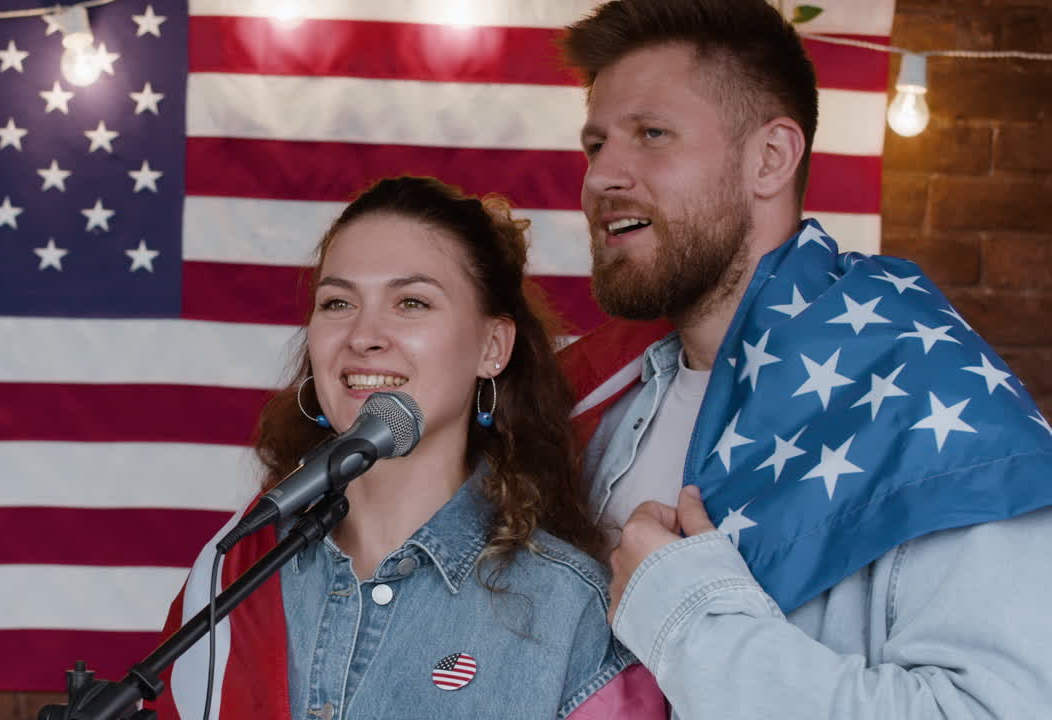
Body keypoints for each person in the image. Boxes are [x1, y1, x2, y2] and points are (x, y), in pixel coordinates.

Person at [555, 1, 1052, 718]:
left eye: (652, 135)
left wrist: (689, 622)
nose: (602, 176)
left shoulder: (924, 393)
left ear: (771, 158)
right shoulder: (594, 398)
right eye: (596, 145)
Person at [150, 177, 665, 719]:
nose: (363, 335)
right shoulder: (238, 568)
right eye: (337, 302)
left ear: (492, 347)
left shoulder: (566, 610)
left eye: (411, 302)